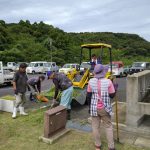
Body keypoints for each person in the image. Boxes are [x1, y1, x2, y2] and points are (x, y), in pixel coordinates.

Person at [86, 64, 116, 150]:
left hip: (94, 107)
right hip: (105, 108)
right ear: (103, 72)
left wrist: (89, 108)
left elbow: (88, 96)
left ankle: (97, 146)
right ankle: (111, 147)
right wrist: (115, 88)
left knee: (95, 126)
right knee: (108, 126)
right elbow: (112, 95)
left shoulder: (90, 81)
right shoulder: (108, 81)